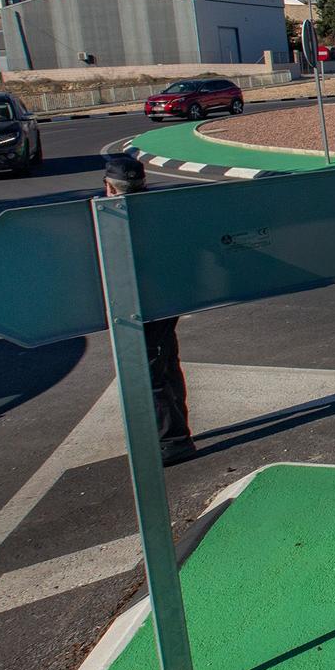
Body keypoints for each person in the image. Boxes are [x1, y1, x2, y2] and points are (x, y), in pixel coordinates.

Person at [102, 154, 193, 464]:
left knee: (153, 372)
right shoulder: (159, 212)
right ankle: (175, 431)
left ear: (110, 187)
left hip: (139, 306)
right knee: (166, 362)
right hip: (167, 302)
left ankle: (172, 441)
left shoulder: (112, 217)